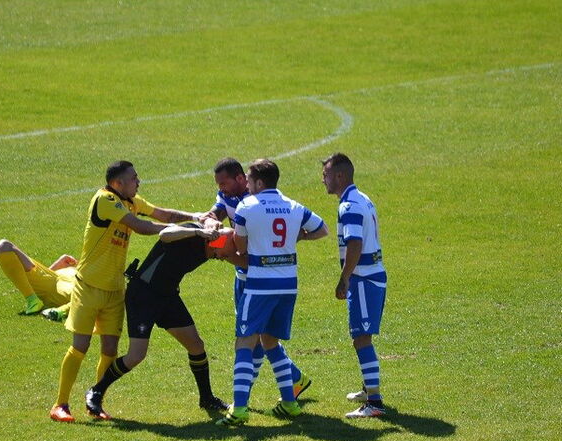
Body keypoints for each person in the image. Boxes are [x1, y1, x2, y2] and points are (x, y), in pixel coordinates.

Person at [50, 160, 204, 423]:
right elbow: (142, 227)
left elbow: (162, 214)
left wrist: (194, 217)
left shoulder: (130, 200)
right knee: (80, 346)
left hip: (114, 289)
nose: (138, 181)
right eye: (133, 178)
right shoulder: (105, 200)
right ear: (117, 183)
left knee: (109, 349)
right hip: (88, 286)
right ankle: (60, 404)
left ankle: (95, 402)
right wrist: (186, 232)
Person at [85, 224, 239, 419]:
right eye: (220, 254)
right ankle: (96, 391)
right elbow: (165, 234)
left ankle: (206, 398)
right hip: (143, 294)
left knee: (196, 345)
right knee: (136, 355)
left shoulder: (216, 245)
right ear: (214, 240)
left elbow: (236, 257)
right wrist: (197, 231)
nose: (219, 258)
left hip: (168, 297)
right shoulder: (194, 234)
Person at [217, 159, 328, 426]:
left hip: (259, 284)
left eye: (250, 180)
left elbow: (241, 247)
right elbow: (321, 229)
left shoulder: (247, 207)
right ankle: (289, 403)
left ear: (258, 182)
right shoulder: (293, 206)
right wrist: (295, 238)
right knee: (270, 342)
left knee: (244, 342)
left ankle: (239, 409)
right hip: (288, 285)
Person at [322, 153, 388, 418]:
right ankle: (368, 388)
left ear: (339, 176)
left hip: (363, 278)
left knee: (361, 338)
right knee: (363, 337)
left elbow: (355, 244)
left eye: (326, 174)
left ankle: (375, 403)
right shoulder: (362, 198)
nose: (322, 180)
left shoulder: (348, 206)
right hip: (374, 274)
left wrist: (345, 278)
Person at [0, 239, 76, 320]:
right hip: (51, 276)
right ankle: (33, 300)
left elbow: (86, 301)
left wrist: (60, 311)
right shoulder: (83, 265)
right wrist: (58, 265)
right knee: (4, 246)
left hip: (63, 292)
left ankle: (32, 301)